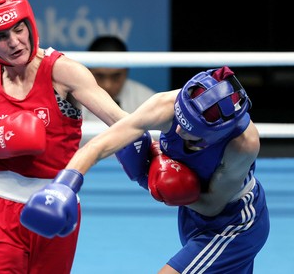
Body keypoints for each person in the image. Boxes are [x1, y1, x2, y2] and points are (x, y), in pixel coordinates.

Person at [21, 66, 270, 273]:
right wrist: (65, 184)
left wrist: (155, 181)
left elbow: (212, 205)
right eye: (180, 121)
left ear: (216, 134)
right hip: (191, 216)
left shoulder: (243, 144)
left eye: (191, 131)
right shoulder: (165, 105)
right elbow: (101, 144)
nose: (180, 131)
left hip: (233, 222)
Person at [0, 0, 127, 274]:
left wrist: (157, 150)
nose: (14, 42)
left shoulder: (63, 71)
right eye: (1, 36)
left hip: (56, 204)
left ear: (30, 26)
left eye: (18, 30)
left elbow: (121, 121)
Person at [82, 35, 156, 121]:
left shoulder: (147, 102)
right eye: (100, 76)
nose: (107, 85)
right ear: (87, 70)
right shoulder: (73, 101)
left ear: (126, 71)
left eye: (115, 76)